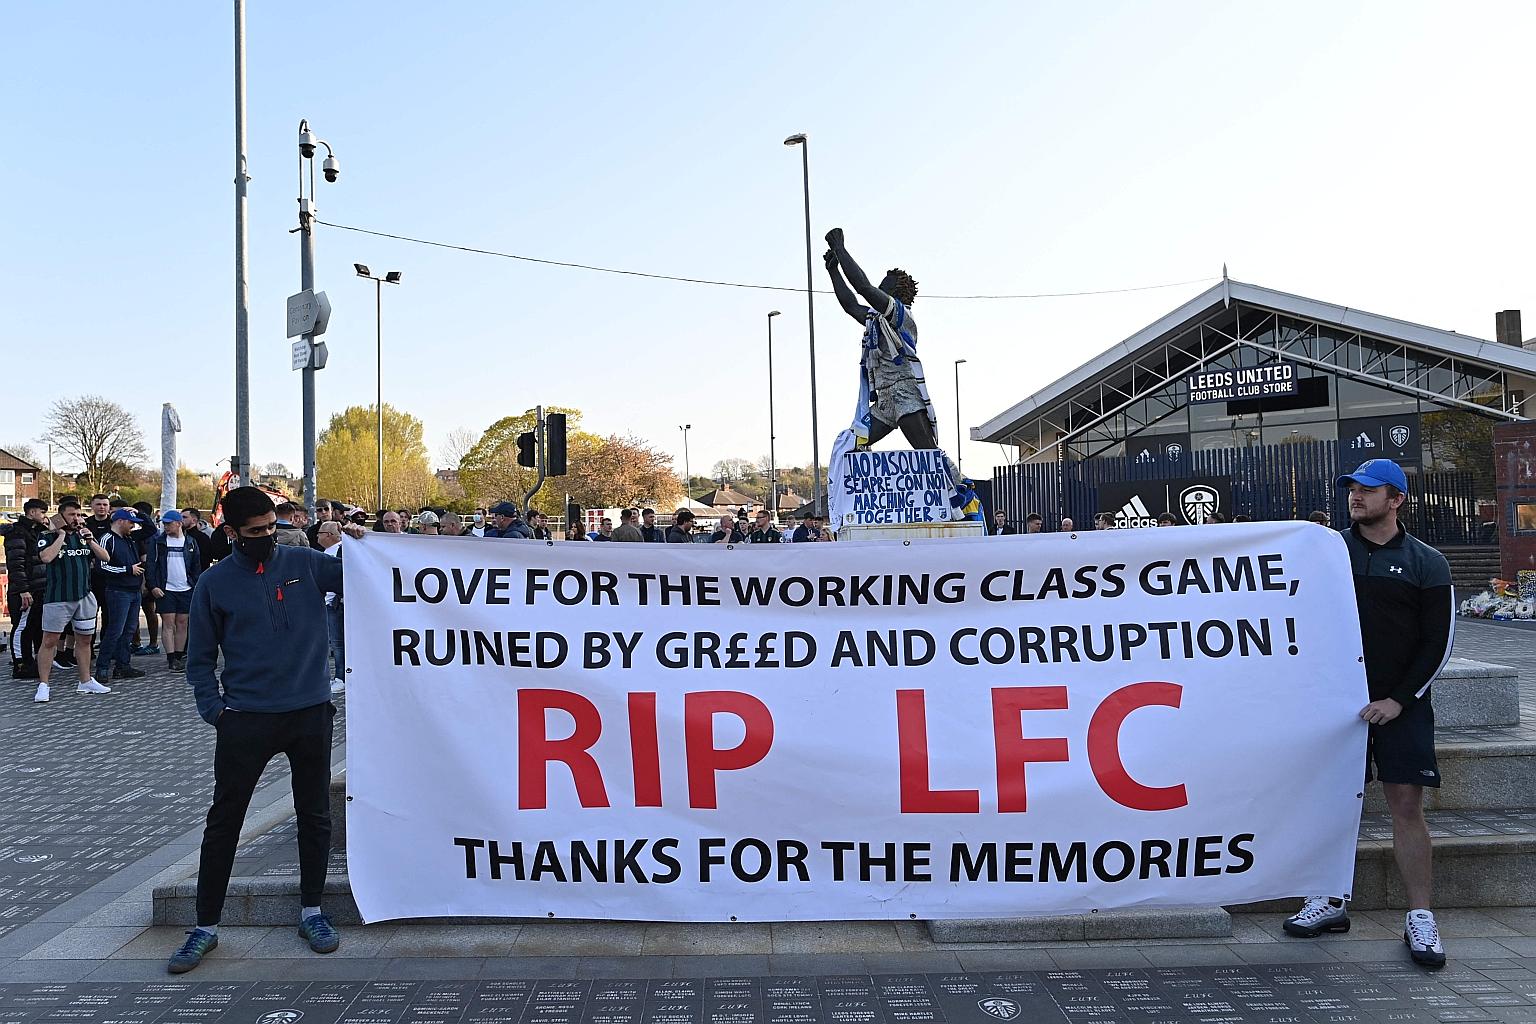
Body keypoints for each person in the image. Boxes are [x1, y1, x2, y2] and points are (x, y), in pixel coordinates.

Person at [170, 486, 363, 973]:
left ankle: (312, 911)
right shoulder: (214, 583)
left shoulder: (304, 563)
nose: (267, 538)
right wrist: (215, 709)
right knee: (225, 821)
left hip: (309, 713)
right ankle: (205, 925)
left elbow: (371, 575)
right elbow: (199, 657)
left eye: (272, 528)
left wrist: (367, 542)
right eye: (255, 532)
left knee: (314, 814)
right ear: (231, 532)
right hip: (246, 719)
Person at [1283, 459, 1453, 968]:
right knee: (1333, 806)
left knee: (1406, 807)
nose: (1356, 497)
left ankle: (1420, 917)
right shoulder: (1327, 553)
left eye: (1368, 490)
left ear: (1396, 499)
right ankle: (1329, 899)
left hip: (1401, 704)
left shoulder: (1427, 561)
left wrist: (1398, 699)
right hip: (1338, 705)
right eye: (1352, 489)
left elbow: (1437, 644)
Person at [33, 499, 113, 702]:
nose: (77, 519)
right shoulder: (47, 536)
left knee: (85, 640)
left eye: (79, 515)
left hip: (84, 596)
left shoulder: (84, 536)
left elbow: (105, 558)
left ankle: (85, 681)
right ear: (61, 516)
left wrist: (91, 540)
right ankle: (44, 685)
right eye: (72, 515)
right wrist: (60, 535)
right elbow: (46, 558)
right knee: (49, 640)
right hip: (58, 598)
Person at [93, 508, 148, 687]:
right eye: (130, 522)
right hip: (118, 590)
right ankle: (102, 666)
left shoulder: (129, 538)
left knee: (129, 630)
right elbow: (102, 566)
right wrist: (127, 570)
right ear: (120, 521)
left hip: (133, 590)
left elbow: (151, 530)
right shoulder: (107, 538)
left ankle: (123, 665)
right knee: (115, 630)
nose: (133, 525)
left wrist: (140, 514)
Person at [146, 510, 203, 672]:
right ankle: (171, 658)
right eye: (164, 524)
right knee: (168, 624)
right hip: (166, 589)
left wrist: (194, 584)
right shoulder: (158, 542)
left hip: (185, 588)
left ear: (178, 524)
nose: (166, 526)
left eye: (169, 523)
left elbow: (196, 566)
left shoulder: (190, 542)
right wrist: (153, 586)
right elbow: (151, 565)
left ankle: (179, 656)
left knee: (182, 623)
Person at [5, 498, 51, 679]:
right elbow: (16, 564)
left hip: (40, 587)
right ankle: (20, 664)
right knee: (21, 628)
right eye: (42, 512)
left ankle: (35, 662)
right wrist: (23, 590)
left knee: (37, 628)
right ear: (32, 512)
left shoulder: (39, 532)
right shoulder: (17, 533)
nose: (45, 516)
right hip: (23, 590)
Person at [315, 521, 346, 694]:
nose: (317, 536)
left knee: (338, 644)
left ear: (329, 535)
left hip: (335, 605)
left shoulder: (339, 551)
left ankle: (341, 677)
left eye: (320, 532)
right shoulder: (329, 552)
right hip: (331, 604)